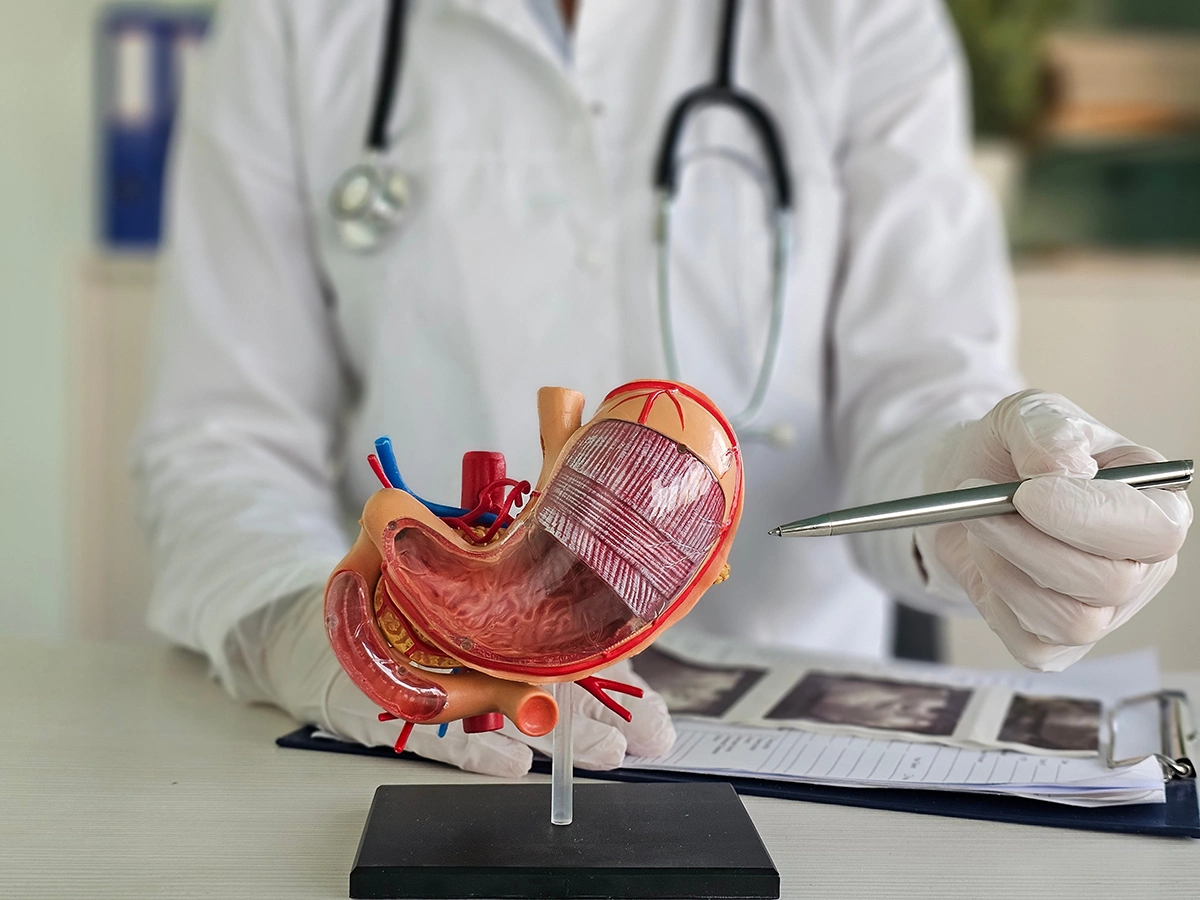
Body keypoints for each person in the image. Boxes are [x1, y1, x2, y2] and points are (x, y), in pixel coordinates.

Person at [132, 0, 1191, 778]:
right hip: (427, 745)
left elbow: (916, 384)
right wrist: (298, 625)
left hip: (801, 771)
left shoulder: (863, 21)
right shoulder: (296, 25)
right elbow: (221, 436)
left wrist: (976, 495)